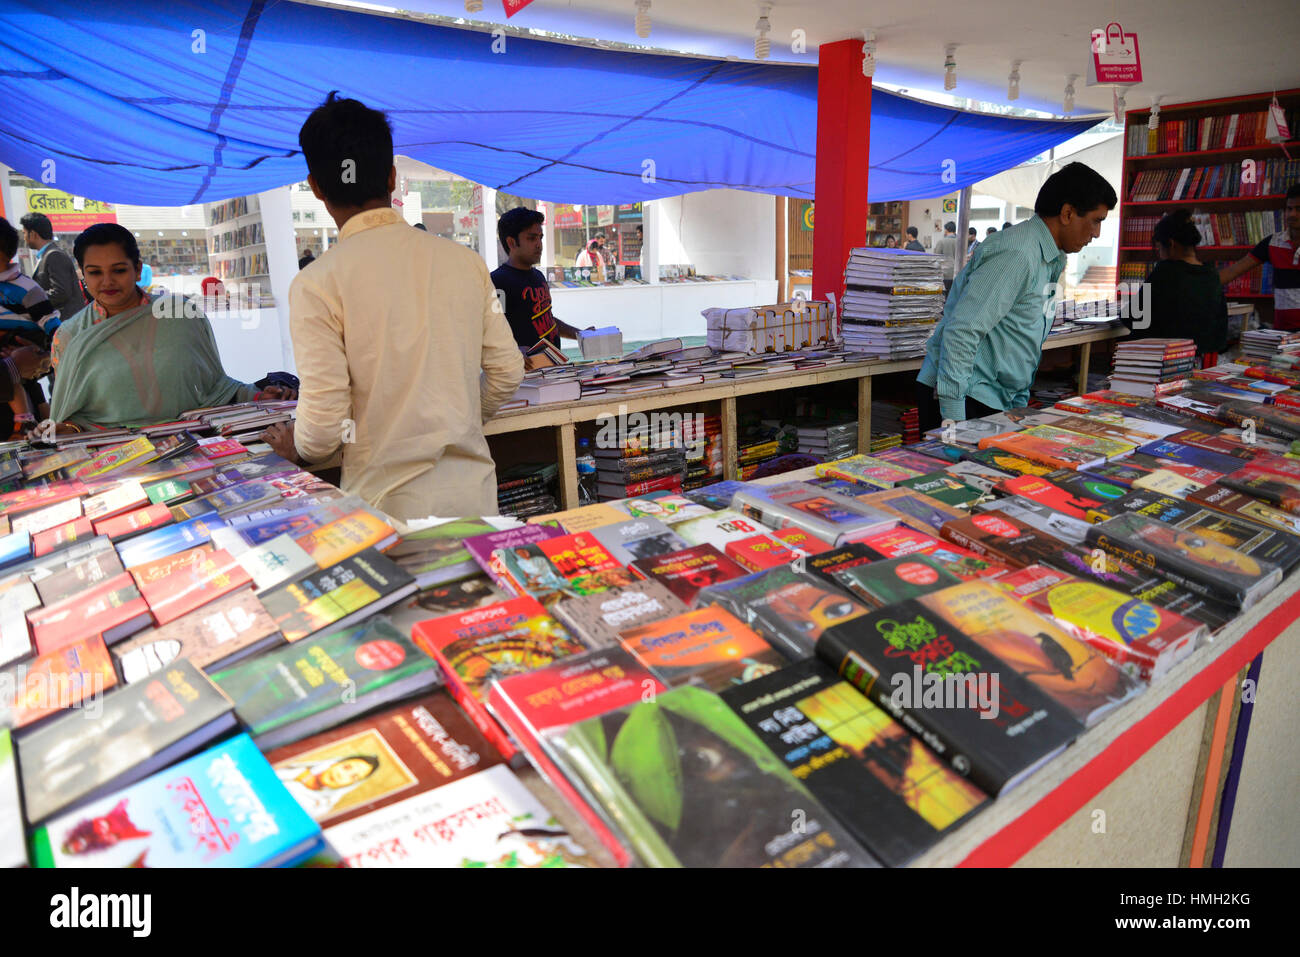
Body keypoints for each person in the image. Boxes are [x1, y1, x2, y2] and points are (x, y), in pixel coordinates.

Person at [261, 92, 523, 522]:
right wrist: (457, 422)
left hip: (385, 512)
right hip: (475, 501)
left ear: (316, 187)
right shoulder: (465, 262)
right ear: (391, 177)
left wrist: (300, 447)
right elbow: (509, 371)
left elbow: (325, 425)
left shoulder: (316, 284)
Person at [916, 162, 1117, 431]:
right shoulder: (1018, 254)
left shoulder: (1049, 257)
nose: (1096, 234)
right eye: (1096, 221)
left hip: (993, 398)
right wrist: (953, 419)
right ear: (1068, 213)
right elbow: (963, 330)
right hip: (964, 398)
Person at [45, 224, 295, 431]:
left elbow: (216, 387)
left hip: (195, 444)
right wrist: (64, 430)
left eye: (119, 270)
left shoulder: (181, 314)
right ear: (83, 275)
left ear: (138, 269)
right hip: (113, 461)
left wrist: (257, 397)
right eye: (95, 272)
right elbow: (71, 418)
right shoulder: (69, 336)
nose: (107, 281)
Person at [1128, 209, 1227, 361]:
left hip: (1164, 360)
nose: (1160, 254)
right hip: (1201, 359)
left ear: (1171, 244)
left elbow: (1134, 316)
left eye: (1160, 248)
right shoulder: (1212, 275)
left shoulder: (1166, 271)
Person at [491, 207, 588, 359]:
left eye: (540, 237)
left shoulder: (538, 276)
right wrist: (513, 350)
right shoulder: (498, 282)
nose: (539, 244)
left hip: (554, 371)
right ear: (511, 242)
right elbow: (491, 330)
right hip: (524, 378)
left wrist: (580, 334)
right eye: (531, 238)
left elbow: (547, 319)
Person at [1217, 183, 1300, 330]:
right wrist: (1198, 283)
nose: (1292, 214)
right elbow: (1233, 271)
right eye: (1289, 209)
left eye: (1298, 209)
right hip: (1282, 335)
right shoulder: (1273, 243)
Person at [20, 212, 87, 319]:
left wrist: (32, 299)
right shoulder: (46, 255)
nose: (24, 238)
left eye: (24, 233)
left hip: (66, 322)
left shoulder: (54, 255)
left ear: (33, 234)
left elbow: (61, 292)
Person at [933, 222, 959, 291]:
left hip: (944, 275)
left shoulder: (941, 242)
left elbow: (936, 258)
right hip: (957, 274)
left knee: (944, 297)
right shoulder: (960, 242)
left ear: (946, 230)